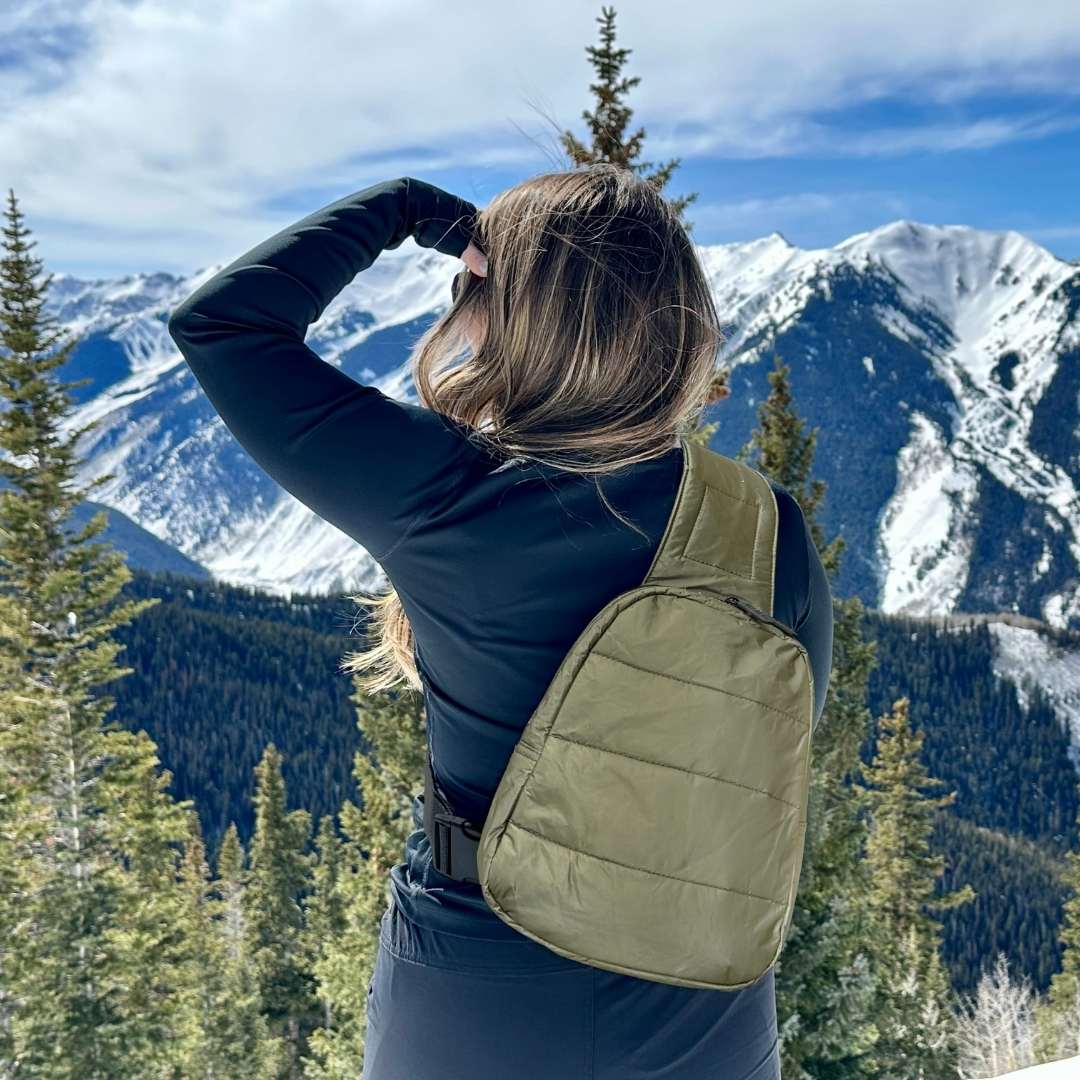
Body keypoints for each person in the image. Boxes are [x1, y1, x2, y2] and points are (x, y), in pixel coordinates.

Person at [167, 164, 833, 1080]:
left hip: (479, 979)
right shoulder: (763, 524)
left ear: (500, 313)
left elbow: (223, 325)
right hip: (702, 1001)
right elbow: (780, 740)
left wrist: (403, 208)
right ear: (680, 327)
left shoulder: (447, 493)